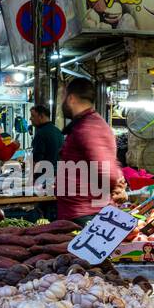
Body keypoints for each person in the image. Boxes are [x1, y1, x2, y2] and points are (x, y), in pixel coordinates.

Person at [56, 77, 126, 221]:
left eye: (63, 98)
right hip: (80, 212)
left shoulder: (89, 127)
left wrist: (116, 187)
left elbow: (108, 171)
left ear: (71, 98)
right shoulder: (87, 123)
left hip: (86, 215)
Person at [29, 104, 63, 183]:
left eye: (33, 116)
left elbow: (37, 160)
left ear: (41, 116)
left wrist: (32, 179)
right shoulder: (58, 131)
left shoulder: (41, 133)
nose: (30, 118)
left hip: (43, 177)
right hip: (57, 176)